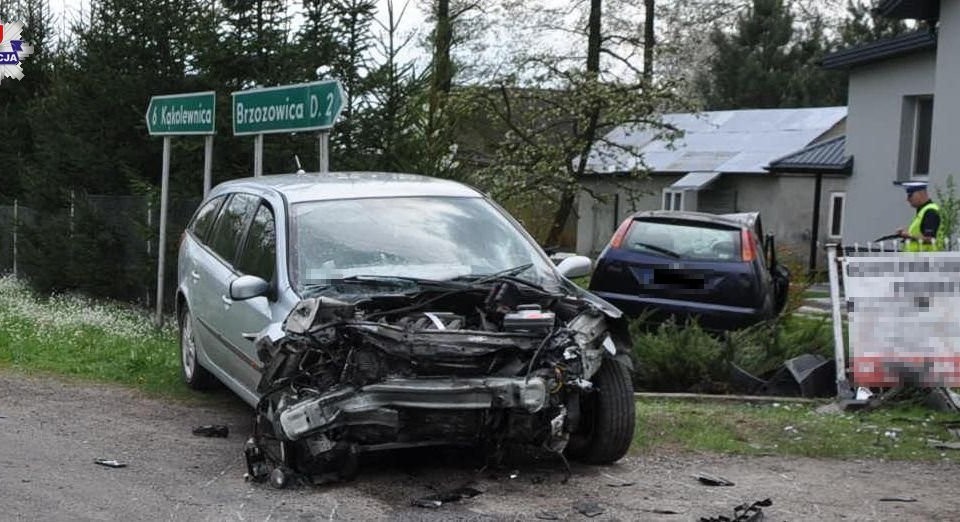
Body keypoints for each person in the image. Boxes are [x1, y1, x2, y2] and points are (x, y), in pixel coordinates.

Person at [894, 181, 944, 252]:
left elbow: (930, 239)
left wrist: (909, 236)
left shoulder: (930, 212)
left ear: (920, 194)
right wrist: (906, 234)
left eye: (910, 195)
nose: (908, 199)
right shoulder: (923, 211)